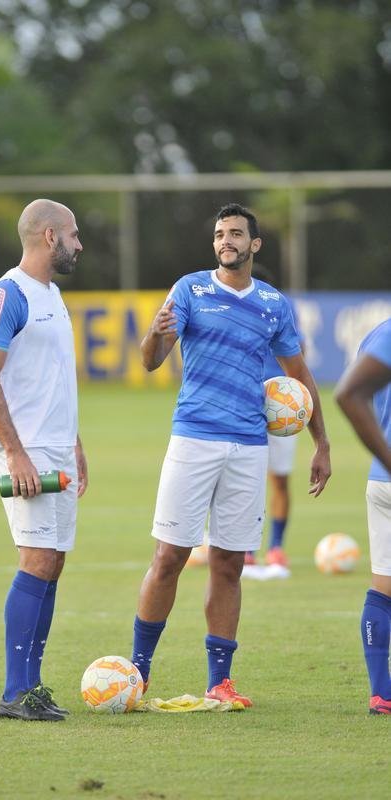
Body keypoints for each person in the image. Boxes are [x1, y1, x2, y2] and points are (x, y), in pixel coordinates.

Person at [130, 202, 331, 708]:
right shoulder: (190, 290)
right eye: (221, 234)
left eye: (236, 234)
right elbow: (151, 362)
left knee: (228, 564)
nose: (227, 241)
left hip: (248, 447)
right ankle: (138, 671)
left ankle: (219, 681)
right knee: (169, 557)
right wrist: (155, 333)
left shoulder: (273, 305)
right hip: (193, 438)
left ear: (254, 245)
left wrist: (321, 442)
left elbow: (299, 377)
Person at [0, 198, 88, 721]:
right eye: (74, 235)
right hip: (26, 450)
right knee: (36, 559)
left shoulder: (53, 294)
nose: (79, 244)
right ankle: (15, 691)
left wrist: (76, 443)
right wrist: (15, 453)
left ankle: (32, 687)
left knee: (54, 563)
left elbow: (53, 377)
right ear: (49, 237)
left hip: (56, 446)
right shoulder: (8, 294)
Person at [334, 317, 391, 715]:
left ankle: (381, 693)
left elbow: (361, 396)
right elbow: (348, 394)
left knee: (383, 588)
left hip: (380, 481)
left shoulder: (377, 334)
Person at [245, 264, 304, 569]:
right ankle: (245, 550)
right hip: (244, 403)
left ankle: (276, 547)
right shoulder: (233, 312)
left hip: (281, 408)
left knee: (279, 479)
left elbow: (298, 353)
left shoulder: (281, 309)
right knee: (245, 480)